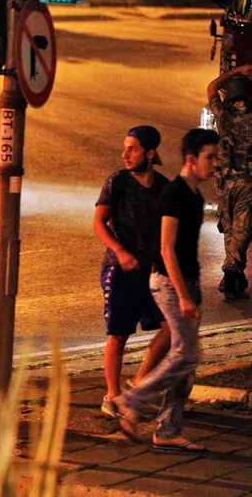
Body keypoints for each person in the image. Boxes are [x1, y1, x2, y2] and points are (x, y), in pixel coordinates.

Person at [112, 128, 219, 452]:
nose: (215, 164)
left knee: (186, 363)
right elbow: (167, 248)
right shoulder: (174, 195)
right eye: (210, 157)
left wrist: (194, 290)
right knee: (186, 353)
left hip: (187, 283)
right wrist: (184, 295)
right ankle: (129, 399)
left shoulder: (195, 195)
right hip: (169, 284)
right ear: (191, 159)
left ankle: (169, 430)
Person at [93, 126, 172, 418]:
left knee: (170, 328)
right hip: (119, 269)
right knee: (119, 333)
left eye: (133, 148)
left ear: (150, 153)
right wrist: (122, 253)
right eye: (125, 147)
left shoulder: (164, 187)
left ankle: (138, 385)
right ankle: (112, 396)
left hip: (150, 272)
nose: (125, 154)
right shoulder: (117, 182)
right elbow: (99, 223)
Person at [206, 64, 252, 300]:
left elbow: (211, 86)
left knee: (230, 228)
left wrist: (235, 70)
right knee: (243, 229)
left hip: (225, 183)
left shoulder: (223, 115)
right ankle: (232, 271)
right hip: (248, 183)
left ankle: (232, 274)